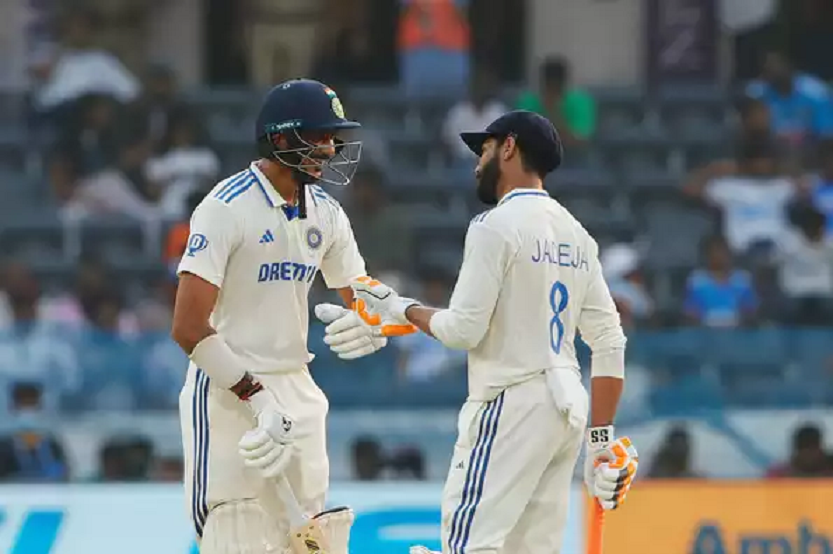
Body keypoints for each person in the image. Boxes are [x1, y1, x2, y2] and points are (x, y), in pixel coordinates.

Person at [324, 111, 638, 554]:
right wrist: (600, 442)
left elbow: (462, 330)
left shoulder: (494, 226)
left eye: (484, 149)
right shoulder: (577, 234)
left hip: (511, 401)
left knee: (469, 546)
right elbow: (609, 343)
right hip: (566, 405)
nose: (477, 161)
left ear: (509, 148)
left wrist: (400, 307)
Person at [170, 78, 408, 554]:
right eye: (318, 136)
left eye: (332, 137)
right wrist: (254, 397)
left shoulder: (326, 212)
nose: (330, 148)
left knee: (308, 540)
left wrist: (381, 321)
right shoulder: (225, 207)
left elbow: (360, 292)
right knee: (232, 532)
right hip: (228, 389)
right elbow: (188, 328)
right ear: (280, 139)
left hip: (297, 386)